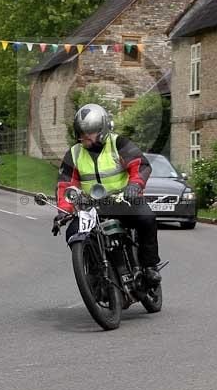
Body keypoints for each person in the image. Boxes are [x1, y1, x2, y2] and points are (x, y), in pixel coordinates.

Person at [55, 103, 162, 286]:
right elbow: (65, 185)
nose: (84, 138)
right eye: (81, 133)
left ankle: (149, 266)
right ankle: (94, 271)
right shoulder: (74, 153)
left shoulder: (118, 143)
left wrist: (134, 186)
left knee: (147, 219)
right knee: (73, 232)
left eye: (89, 133)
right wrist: (63, 212)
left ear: (102, 130)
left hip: (124, 201)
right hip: (91, 208)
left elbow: (140, 165)